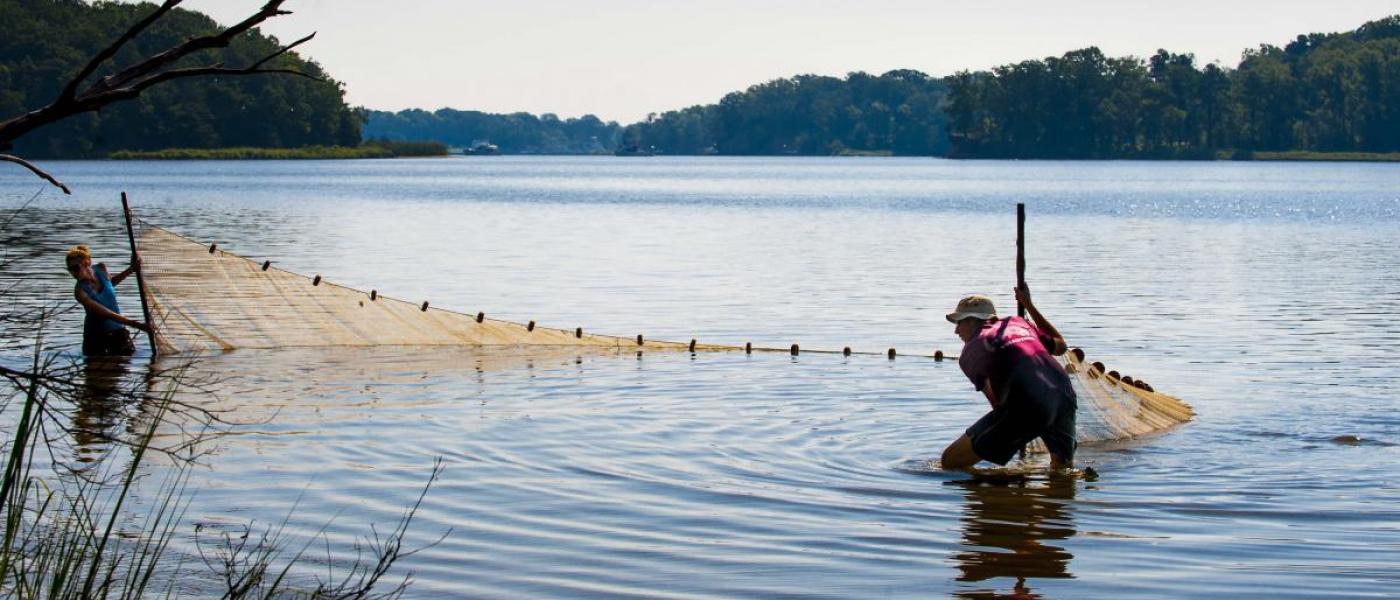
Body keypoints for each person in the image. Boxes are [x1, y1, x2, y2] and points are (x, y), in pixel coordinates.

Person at [940, 284, 1077, 470]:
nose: (956, 331)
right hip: (1064, 394)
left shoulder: (972, 350)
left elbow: (997, 403)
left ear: (973, 321)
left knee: (950, 462)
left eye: (959, 323)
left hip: (1028, 406)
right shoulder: (1018, 323)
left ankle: (1002, 488)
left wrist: (1014, 438)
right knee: (1062, 469)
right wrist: (1028, 305)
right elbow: (1060, 346)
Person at [65, 245, 147, 356]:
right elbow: (106, 313)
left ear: (86, 263)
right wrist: (138, 325)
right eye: (70, 270)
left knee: (124, 366)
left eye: (75, 268)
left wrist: (131, 269)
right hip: (96, 337)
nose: (73, 273)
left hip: (118, 331)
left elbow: (110, 284)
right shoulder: (80, 291)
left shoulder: (101, 269)